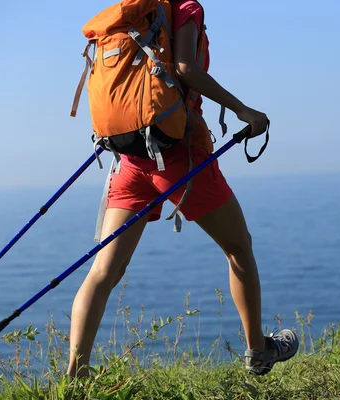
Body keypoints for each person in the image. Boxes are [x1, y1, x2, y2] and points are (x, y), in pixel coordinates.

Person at [67, 0, 298, 378]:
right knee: (239, 247)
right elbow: (187, 68)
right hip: (180, 158)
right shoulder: (186, 8)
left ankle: (76, 376)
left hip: (129, 160)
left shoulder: (134, 13)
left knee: (102, 272)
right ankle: (259, 350)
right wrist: (243, 110)